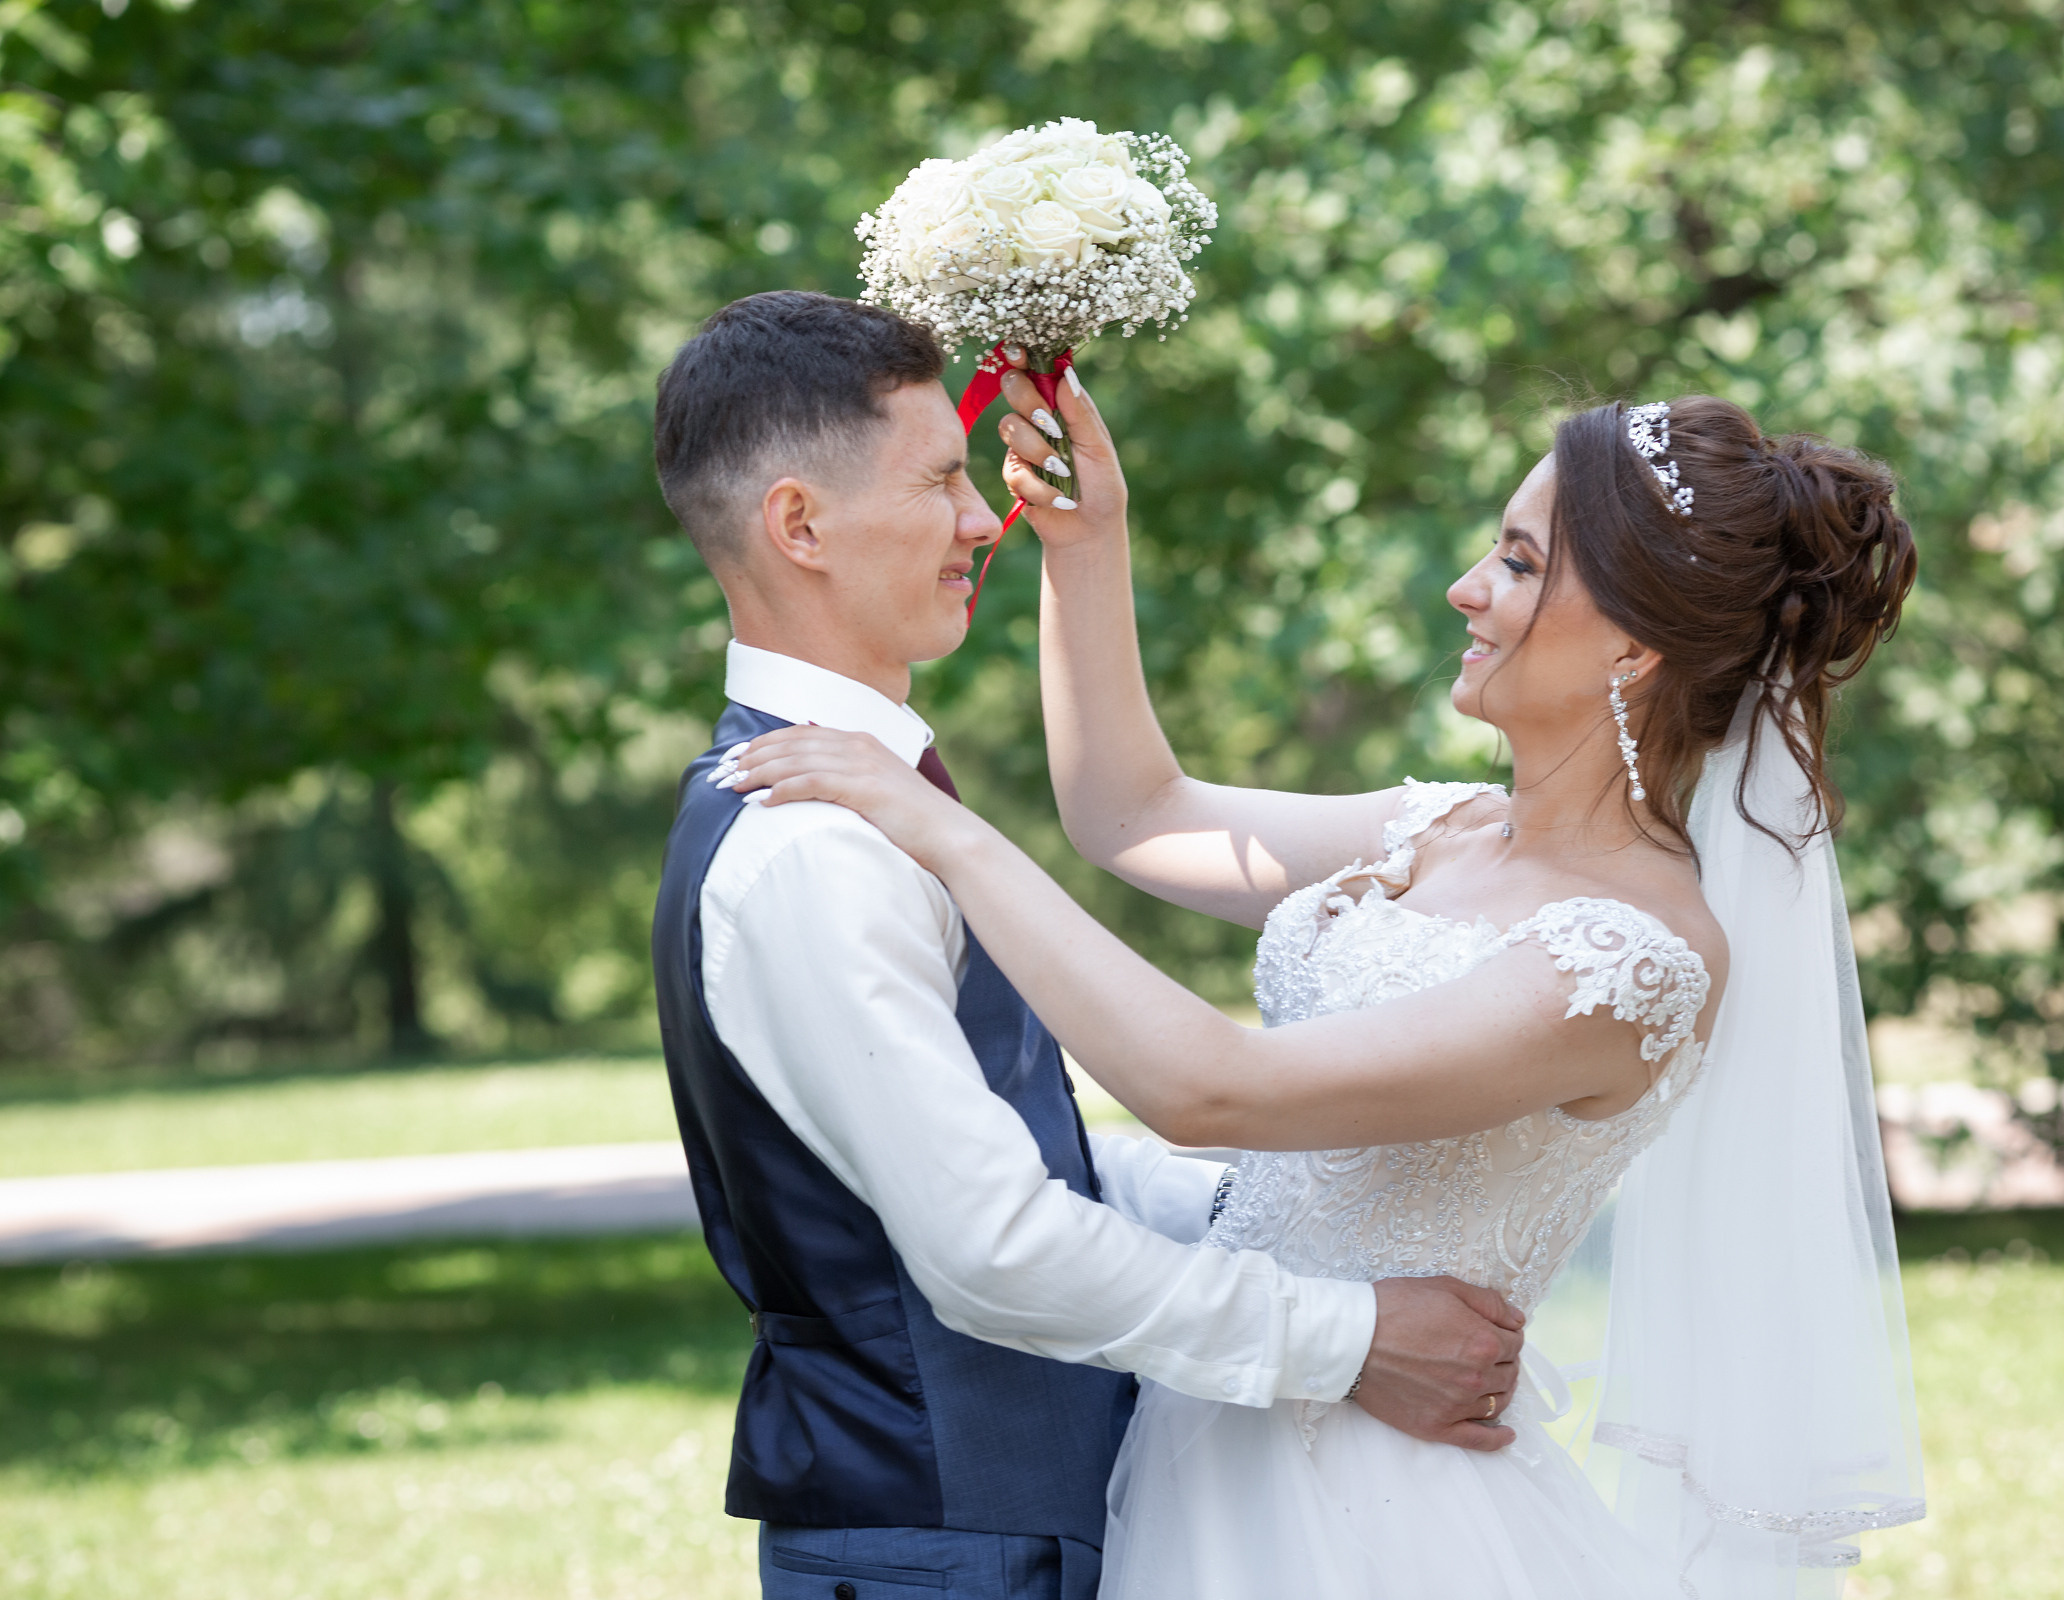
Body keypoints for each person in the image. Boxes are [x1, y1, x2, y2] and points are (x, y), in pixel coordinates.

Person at [729, 359, 1930, 1597]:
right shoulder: (1444, 827)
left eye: (1520, 564)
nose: (1467, 586)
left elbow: (1211, 1089)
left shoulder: (1630, 959)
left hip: (1370, 1510)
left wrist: (946, 832)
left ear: (1633, 644)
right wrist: (1089, 543)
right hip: (1219, 1442)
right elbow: (1135, 814)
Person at [646, 291, 1532, 1600]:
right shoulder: (811, 846)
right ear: (800, 524)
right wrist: (1348, 1337)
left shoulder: (852, 799)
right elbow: (994, 1248)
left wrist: (1278, 1216)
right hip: (948, 1549)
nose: (978, 519)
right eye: (940, 481)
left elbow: (1007, 1140)